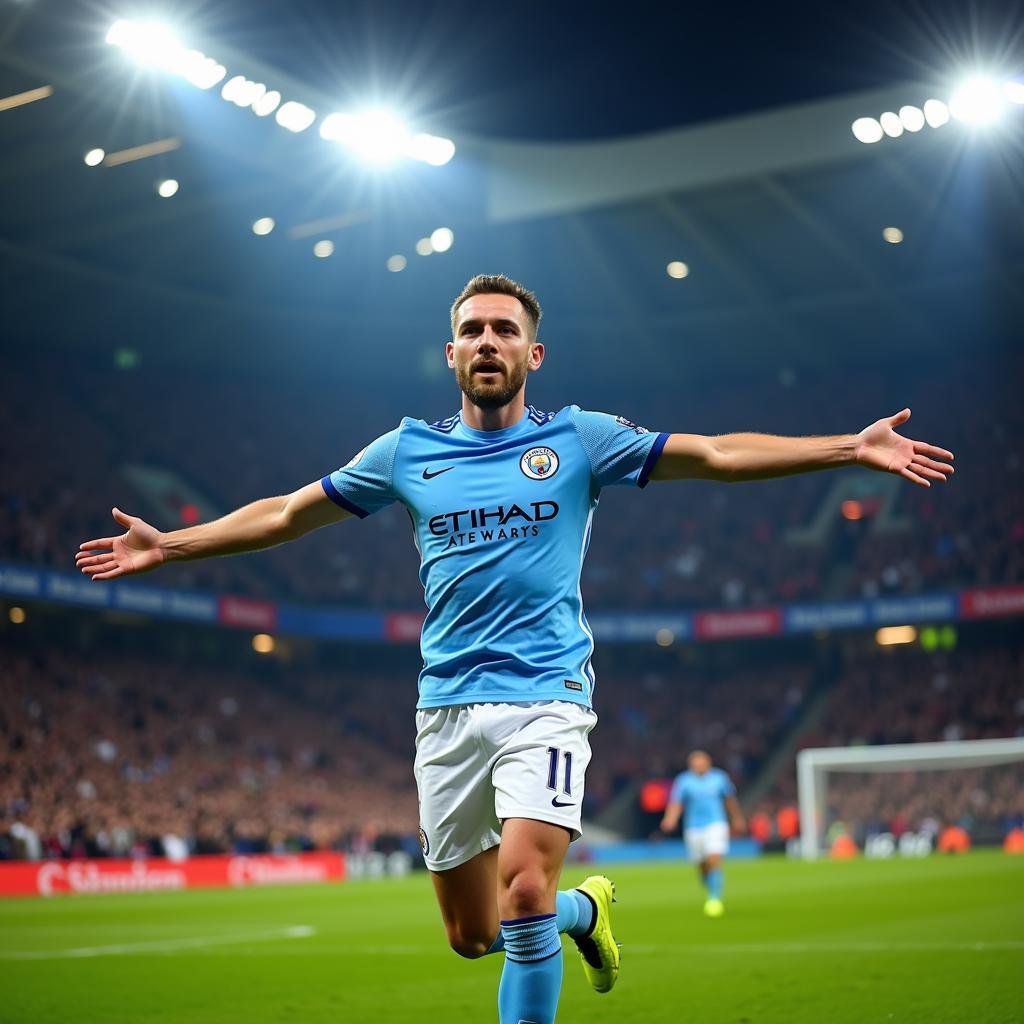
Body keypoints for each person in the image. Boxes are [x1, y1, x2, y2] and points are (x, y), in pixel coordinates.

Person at [75, 274, 954, 1024]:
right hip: (445, 708)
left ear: (534, 355)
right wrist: (172, 546)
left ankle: (556, 906)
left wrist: (849, 446)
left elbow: (716, 453)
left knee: (522, 892)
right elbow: (285, 513)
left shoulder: (578, 438)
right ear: (449, 354)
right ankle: (587, 913)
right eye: (471, 331)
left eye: (505, 330)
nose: (486, 341)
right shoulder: (405, 452)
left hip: (547, 693)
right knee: (476, 935)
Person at [659, 750, 745, 917]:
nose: (699, 765)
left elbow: (730, 800)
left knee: (714, 858)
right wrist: (670, 819)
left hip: (716, 824)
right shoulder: (684, 781)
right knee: (702, 865)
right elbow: (676, 803)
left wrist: (737, 819)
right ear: (691, 765)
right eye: (696, 763)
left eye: (702, 762)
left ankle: (714, 898)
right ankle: (711, 886)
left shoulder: (719, 778)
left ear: (708, 762)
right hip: (694, 828)